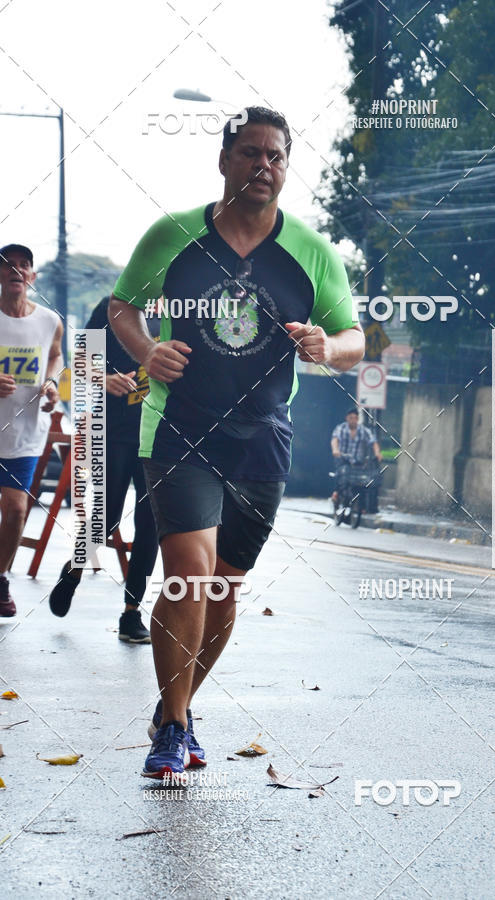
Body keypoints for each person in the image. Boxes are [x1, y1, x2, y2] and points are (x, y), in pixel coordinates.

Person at [108, 106, 365, 778]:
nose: (263, 165)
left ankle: (180, 708)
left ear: (286, 167)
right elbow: (122, 305)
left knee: (223, 590)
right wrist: (146, 351)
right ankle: (170, 727)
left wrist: (326, 344)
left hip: (263, 438)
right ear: (224, 160)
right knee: (189, 575)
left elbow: (358, 339)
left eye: (275, 155)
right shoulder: (171, 236)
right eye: (249, 152)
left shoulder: (312, 253)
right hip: (179, 427)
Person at [48, 296, 159, 642]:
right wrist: (105, 378)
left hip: (162, 433)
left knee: (150, 522)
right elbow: (78, 363)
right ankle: (74, 569)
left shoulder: (186, 306)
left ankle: (131, 613)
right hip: (115, 429)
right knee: (106, 516)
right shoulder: (116, 303)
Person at [0, 244, 62, 616]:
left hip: (24, 432)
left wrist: (53, 385)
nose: (16, 269)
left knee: (17, 508)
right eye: (8, 264)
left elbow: (57, 357)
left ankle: (1, 575)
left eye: (24, 265)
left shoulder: (50, 321)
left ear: (32, 277)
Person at [331, 407, 382, 513]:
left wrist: (377, 453)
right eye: (351, 418)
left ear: (358, 419)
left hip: (358, 461)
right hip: (343, 458)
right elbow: (335, 439)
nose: (353, 420)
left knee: (362, 481)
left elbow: (373, 442)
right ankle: (336, 494)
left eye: (355, 418)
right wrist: (335, 450)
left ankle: (360, 506)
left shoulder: (363, 430)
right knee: (341, 475)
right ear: (347, 418)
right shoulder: (341, 428)